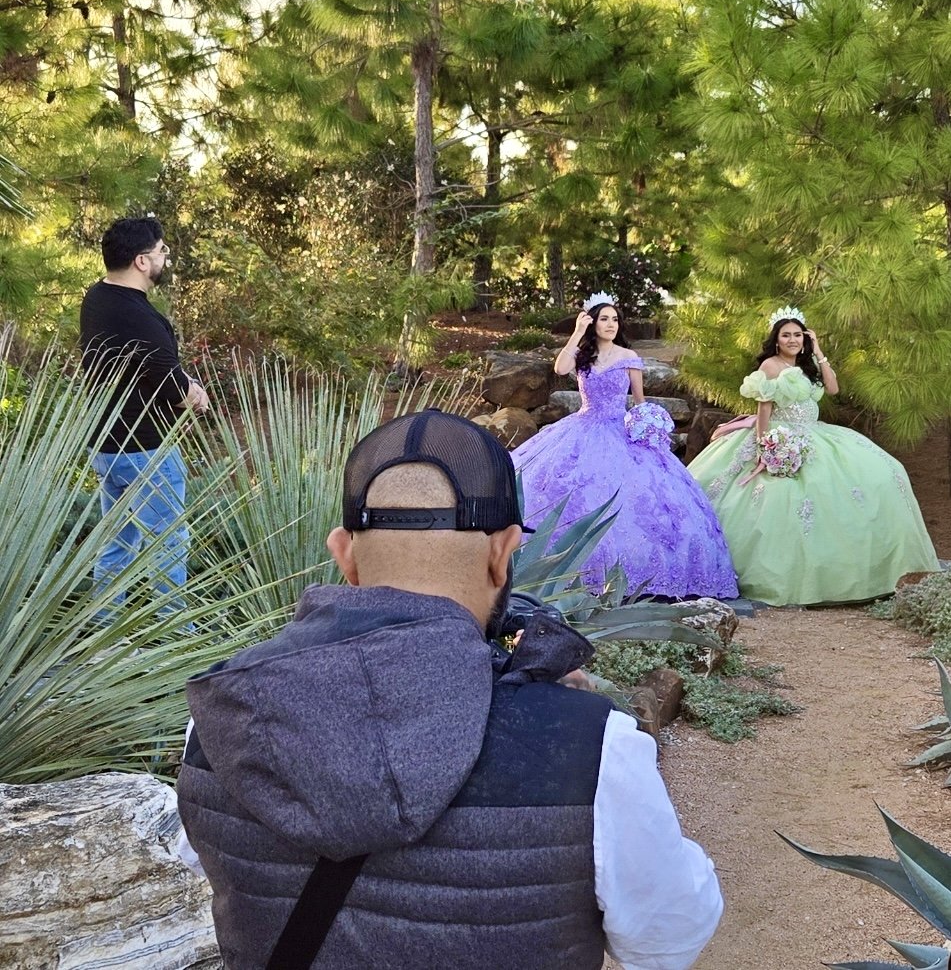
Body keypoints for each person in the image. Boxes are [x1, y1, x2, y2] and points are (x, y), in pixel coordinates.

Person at [176, 408, 723, 970]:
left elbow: (220, 865)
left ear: (344, 555)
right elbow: (667, 939)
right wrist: (559, 721)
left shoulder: (218, 714)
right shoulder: (596, 747)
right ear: (501, 552)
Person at [687, 306, 940, 605]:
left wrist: (818, 350)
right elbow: (764, 409)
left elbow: (832, 388)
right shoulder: (770, 365)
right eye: (786, 335)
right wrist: (766, 447)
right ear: (776, 339)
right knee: (781, 496)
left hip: (814, 432)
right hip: (781, 434)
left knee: (887, 470)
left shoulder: (808, 365)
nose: (792, 340)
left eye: (797, 335)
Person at [510, 293, 738, 599]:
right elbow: (560, 369)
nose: (610, 324)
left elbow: (640, 403)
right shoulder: (582, 355)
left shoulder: (629, 358)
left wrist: (649, 431)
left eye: (615, 319)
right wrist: (577, 333)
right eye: (604, 319)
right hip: (584, 426)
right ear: (592, 322)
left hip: (620, 429)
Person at [80, 216, 209, 619]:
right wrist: (196, 396)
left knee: (118, 541)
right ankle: (172, 637)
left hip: (106, 445)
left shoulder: (98, 298)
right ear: (140, 261)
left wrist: (180, 381)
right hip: (144, 449)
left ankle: (104, 631)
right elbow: (168, 381)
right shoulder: (138, 316)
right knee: (169, 541)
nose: (164, 259)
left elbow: (144, 364)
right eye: (161, 251)